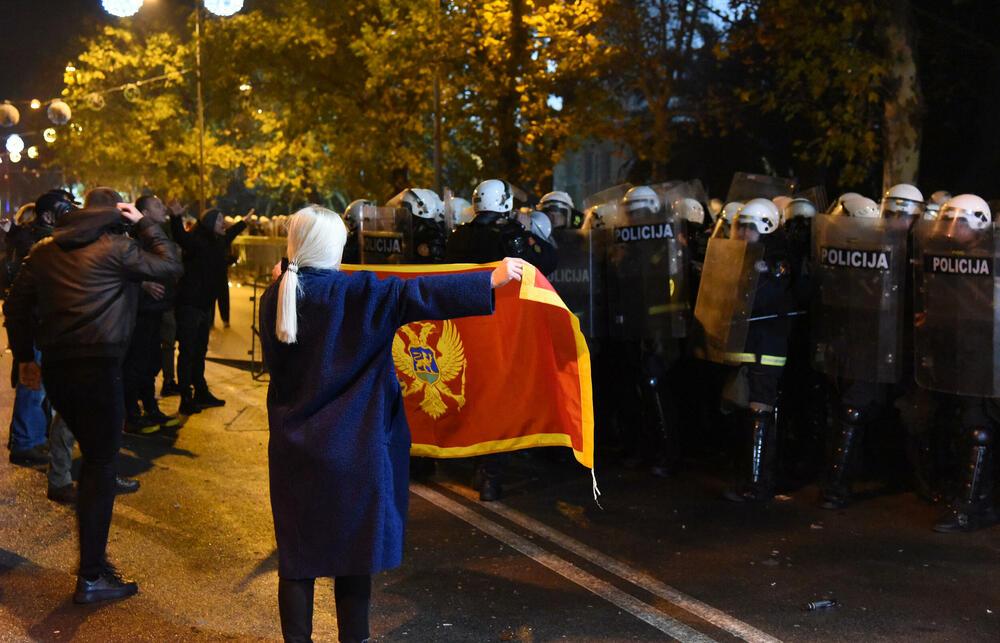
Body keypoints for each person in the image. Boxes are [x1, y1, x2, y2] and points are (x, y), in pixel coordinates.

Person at [259, 205, 522, 642]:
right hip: (354, 450)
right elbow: (417, 293)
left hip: (293, 451)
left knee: (298, 559)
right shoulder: (358, 293)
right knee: (353, 556)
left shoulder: (278, 296)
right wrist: (488, 279)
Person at [4, 187, 182, 604]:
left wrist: (26, 359)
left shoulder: (46, 250)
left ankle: (93, 566)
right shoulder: (117, 247)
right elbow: (170, 265)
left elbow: (14, 305)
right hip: (99, 366)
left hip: (59, 369)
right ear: (115, 213)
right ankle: (91, 575)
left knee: (95, 465)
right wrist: (145, 222)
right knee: (101, 467)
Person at [445, 179, 539, 500]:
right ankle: (490, 474)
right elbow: (546, 262)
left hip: (462, 328)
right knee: (497, 399)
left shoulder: (456, 237)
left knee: (471, 393)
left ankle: (474, 464)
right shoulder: (508, 236)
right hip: (500, 327)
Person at [721, 198, 796, 503]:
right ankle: (748, 476)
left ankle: (757, 483)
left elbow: (766, 299)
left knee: (759, 409)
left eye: (748, 228)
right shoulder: (743, 255)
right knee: (744, 410)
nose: (741, 234)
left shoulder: (777, 260)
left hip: (767, 347)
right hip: (746, 345)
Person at [170, 206, 247, 415]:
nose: (224, 223)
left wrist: (244, 222)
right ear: (209, 222)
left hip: (204, 306)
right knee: (187, 352)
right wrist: (176, 216)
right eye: (220, 219)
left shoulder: (217, 241)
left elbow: (229, 234)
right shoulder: (198, 241)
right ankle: (186, 397)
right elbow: (180, 236)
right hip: (190, 305)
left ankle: (200, 391)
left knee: (199, 350)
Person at [122, 195, 182, 434]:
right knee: (135, 364)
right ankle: (132, 415)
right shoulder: (133, 239)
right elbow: (123, 271)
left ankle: (150, 407)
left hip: (156, 309)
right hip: (141, 312)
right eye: (157, 205)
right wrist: (142, 285)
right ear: (143, 213)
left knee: (151, 363)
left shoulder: (157, 235)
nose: (163, 207)